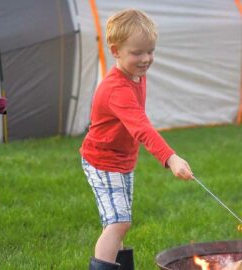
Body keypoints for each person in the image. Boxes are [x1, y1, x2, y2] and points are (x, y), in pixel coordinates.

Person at [79, 9, 194, 270]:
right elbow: (141, 127)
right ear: (115, 50)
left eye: (150, 51)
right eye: (137, 53)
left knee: (116, 222)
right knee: (119, 223)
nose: (145, 59)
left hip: (122, 161)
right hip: (103, 161)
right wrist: (170, 157)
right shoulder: (116, 89)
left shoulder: (136, 75)